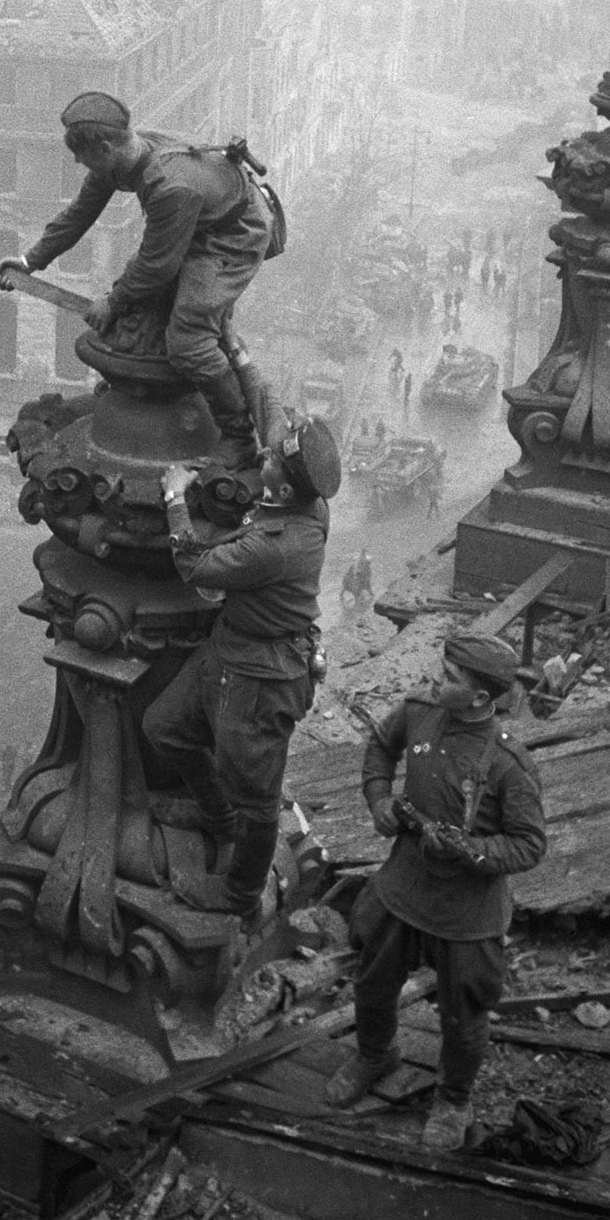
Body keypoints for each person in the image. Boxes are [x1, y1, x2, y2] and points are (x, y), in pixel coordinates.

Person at [142, 331, 337, 920]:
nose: (267, 453)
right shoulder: (298, 489)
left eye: (273, 460)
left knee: (259, 802)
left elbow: (196, 565)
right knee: (164, 728)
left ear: (281, 484)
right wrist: (240, 354)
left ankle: (238, 895)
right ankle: (214, 816)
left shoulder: (277, 545)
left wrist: (176, 497)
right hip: (231, 652)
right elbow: (269, 412)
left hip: (261, 677)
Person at [326, 632, 546, 1151]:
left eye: (449, 678)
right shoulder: (419, 712)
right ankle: (376, 1054)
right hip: (404, 883)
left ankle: (453, 1098)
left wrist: (472, 851)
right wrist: (379, 799)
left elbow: (530, 845)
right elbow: (381, 747)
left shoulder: (508, 764)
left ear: (479, 698)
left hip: (467, 910)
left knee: (463, 1013)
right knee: (373, 981)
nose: (434, 680)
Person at [0, 93, 272, 463]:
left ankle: (237, 434)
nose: (77, 162)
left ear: (105, 148)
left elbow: (157, 266)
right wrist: (31, 260)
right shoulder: (126, 157)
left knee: (188, 338)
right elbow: (80, 213)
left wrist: (115, 301)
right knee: (143, 312)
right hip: (197, 220)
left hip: (230, 236)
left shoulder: (169, 186)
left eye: (82, 156)